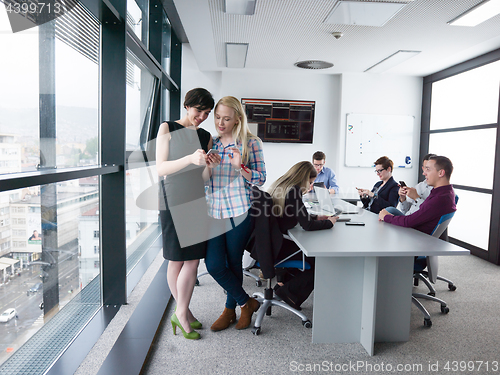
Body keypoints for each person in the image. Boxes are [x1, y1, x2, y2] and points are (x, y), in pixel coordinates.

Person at [156, 88, 220, 340]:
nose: (202, 117)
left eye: (206, 113)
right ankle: (183, 314)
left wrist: (209, 168)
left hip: (195, 200)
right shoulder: (167, 128)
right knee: (176, 259)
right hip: (172, 200)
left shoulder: (206, 137)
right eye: (198, 111)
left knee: (193, 259)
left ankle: (182, 311)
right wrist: (189, 159)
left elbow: (203, 179)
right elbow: (161, 168)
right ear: (187, 106)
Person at [205, 96, 266, 331]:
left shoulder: (251, 142)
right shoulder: (212, 142)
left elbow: (261, 178)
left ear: (238, 119)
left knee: (233, 263)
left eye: (226, 118)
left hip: (239, 211)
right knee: (213, 264)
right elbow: (203, 183)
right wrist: (207, 168)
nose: (220, 123)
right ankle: (246, 302)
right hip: (213, 210)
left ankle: (229, 311)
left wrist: (240, 167)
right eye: (217, 117)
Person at [268, 161, 338, 310]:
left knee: (314, 259)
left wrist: (314, 217)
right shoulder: (294, 191)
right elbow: (308, 226)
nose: (310, 186)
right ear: (304, 178)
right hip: (280, 246)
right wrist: (330, 223)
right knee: (321, 262)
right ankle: (287, 293)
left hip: (272, 243)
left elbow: (296, 215)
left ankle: (285, 285)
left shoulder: (281, 185)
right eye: (311, 182)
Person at [379, 156, 456, 235]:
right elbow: (414, 213)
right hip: (413, 227)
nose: (424, 173)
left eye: (428, 169)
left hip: (415, 236)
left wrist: (386, 217)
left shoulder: (440, 198)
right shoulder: (443, 192)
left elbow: (408, 221)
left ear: (441, 173)